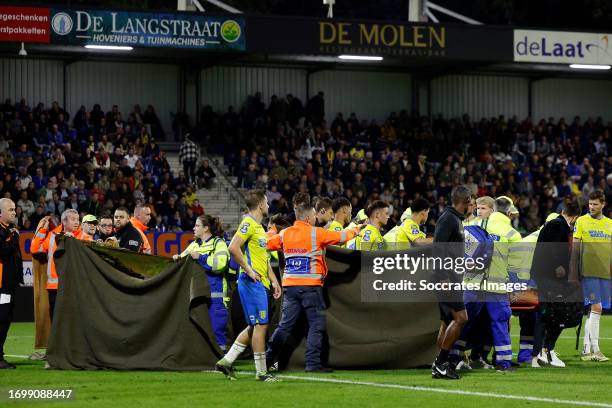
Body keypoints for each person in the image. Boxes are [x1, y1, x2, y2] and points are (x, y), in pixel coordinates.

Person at [265, 203, 362, 372]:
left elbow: (266, 243)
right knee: (316, 325)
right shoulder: (317, 233)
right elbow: (342, 237)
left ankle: (266, 360)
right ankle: (312, 364)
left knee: (285, 326)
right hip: (311, 287)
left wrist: (272, 230)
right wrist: (357, 230)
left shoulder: (285, 233)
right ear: (309, 218)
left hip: (290, 287)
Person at [215, 191, 282, 381]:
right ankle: (261, 373)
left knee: (255, 326)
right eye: (267, 202)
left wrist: (275, 281)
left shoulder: (259, 228)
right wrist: (250, 271)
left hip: (261, 283)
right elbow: (233, 247)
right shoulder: (248, 223)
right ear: (261, 205)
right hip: (252, 282)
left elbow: (264, 259)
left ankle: (226, 362)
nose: (268, 205)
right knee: (261, 325)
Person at [531, 203, 581, 368]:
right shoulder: (558, 225)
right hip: (549, 277)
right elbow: (550, 249)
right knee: (551, 314)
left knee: (553, 313)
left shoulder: (555, 224)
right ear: (575, 217)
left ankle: (545, 350)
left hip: (548, 277)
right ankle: (541, 352)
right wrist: (556, 266)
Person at [174, 215, 230, 351]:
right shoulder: (194, 245)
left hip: (215, 297)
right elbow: (182, 261)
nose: (194, 228)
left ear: (206, 228)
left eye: (197, 225)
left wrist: (201, 257)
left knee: (217, 330)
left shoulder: (219, 243)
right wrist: (177, 258)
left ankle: (222, 360)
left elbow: (219, 265)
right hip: (197, 296)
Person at [431, 185, 470, 380]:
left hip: (450, 276)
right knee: (461, 318)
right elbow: (438, 249)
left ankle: (440, 364)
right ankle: (440, 364)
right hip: (446, 278)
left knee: (446, 321)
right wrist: (444, 278)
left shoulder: (455, 219)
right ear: (466, 201)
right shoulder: (448, 219)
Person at [575, 190, 611, 362]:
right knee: (597, 308)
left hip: (604, 272)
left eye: (595, 204)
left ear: (603, 204)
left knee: (595, 309)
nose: (592, 207)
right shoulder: (582, 221)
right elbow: (575, 246)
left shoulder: (610, 224)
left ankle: (586, 349)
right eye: (590, 204)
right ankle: (595, 350)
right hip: (588, 271)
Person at [31, 209, 81, 321]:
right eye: (73, 219)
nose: (77, 222)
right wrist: (43, 229)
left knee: (72, 323)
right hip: (54, 288)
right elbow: (34, 249)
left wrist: (72, 240)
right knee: (56, 323)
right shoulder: (52, 236)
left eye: (78, 219)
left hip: (73, 287)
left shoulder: (82, 236)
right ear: (64, 221)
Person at [0, 198, 23, 369]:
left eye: (14, 209)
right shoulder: (6, 233)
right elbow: (3, 252)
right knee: (2, 318)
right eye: (10, 209)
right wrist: (13, 237)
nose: (14, 212)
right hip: (2, 286)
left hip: (9, 285)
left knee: (5, 319)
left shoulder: (8, 231)